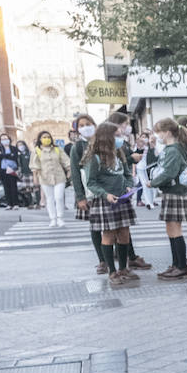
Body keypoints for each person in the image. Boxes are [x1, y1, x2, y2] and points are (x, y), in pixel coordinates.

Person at [84, 121, 139, 288]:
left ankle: (123, 269)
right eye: (116, 135)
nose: (120, 138)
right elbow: (91, 182)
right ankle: (112, 272)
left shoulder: (118, 153)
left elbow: (127, 174)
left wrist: (129, 185)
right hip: (106, 201)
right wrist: (105, 194)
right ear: (106, 136)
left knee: (124, 234)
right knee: (109, 235)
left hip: (122, 199)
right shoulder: (94, 157)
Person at [148, 117, 187, 280]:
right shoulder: (173, 148)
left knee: (175, 230)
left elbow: (169, 172)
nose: (157, 136)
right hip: (172, 192)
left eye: (158, 132)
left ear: (167, 132)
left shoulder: (174, 150)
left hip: (176, 193)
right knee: (171, 229)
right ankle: (176, 264)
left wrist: (152, 183)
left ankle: (181, 266)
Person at [108, 112, 152, 270]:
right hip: (113, 190)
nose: (127, 127)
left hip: (123, 187)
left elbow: (124, 161)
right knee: (115, 228)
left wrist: (136, 153)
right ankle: (119, 262)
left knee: (124, 226)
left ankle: (129, 257)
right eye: (125, 124)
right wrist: (132, 157)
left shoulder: (122, 142)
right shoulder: (111, 143)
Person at [70, 115, 110, 275]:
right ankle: (102, 260)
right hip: (90, 192)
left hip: (108, 189)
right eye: (81, 125)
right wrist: (80, 197)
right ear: (77, 129)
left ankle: (115, 255)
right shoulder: (78, 147)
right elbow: (75, 172)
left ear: (94, 124)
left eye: (88, 124)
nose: (85, 127)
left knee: (114, 226)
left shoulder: (103, 142)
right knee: (95, 227)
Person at [32, 131, 70, 227]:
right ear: (40, 139)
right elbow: (34, 165)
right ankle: (53, 219)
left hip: (59, 176)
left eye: (48, 137)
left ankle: (60, 218)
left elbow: (65, 160)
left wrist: (69, 170)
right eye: (44, 137)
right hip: (45, 178)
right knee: (50, 199)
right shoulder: (37, 151)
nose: (46, 139)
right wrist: (35, 178)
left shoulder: (57, 149)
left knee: (59, 197)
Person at [0, 134, 21, 209]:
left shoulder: (13, 148)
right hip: (3, 170)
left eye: (6, 138)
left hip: (12, 170)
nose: (4, 140)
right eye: (2, 139)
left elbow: (15, 156)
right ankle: (9, 204)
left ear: (9, 139)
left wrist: (4, 155)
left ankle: (15, 204)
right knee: (6, 188)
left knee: (13, 187)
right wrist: (9, 155)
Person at [15, 139, 37, 208]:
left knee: (35, 188)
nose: (20, 147)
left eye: (21, 145)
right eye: (18, 145)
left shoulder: (30, 153)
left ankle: (38, 203)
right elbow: (19, 165)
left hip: (31, 173)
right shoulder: (19, 156)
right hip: (24, 174)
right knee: (27, 189)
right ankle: (30, 203)